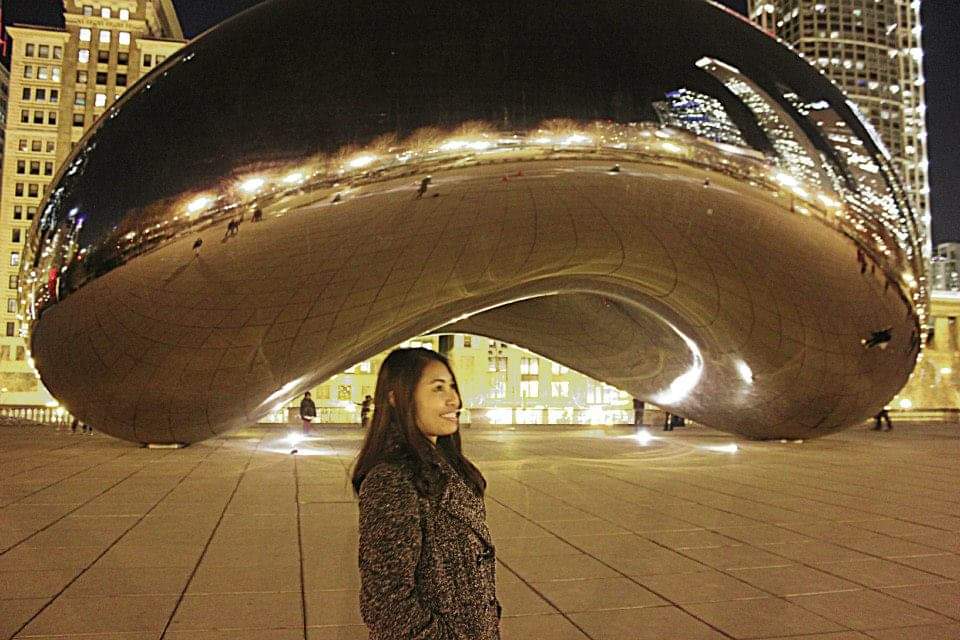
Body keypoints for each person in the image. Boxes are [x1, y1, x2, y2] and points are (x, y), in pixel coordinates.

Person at [352, 348, 499, 639]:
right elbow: (386, 605)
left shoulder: (448, 468)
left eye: (452, 386)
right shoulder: (391, 480)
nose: (454, 399)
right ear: (396, 398)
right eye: (438, 388)